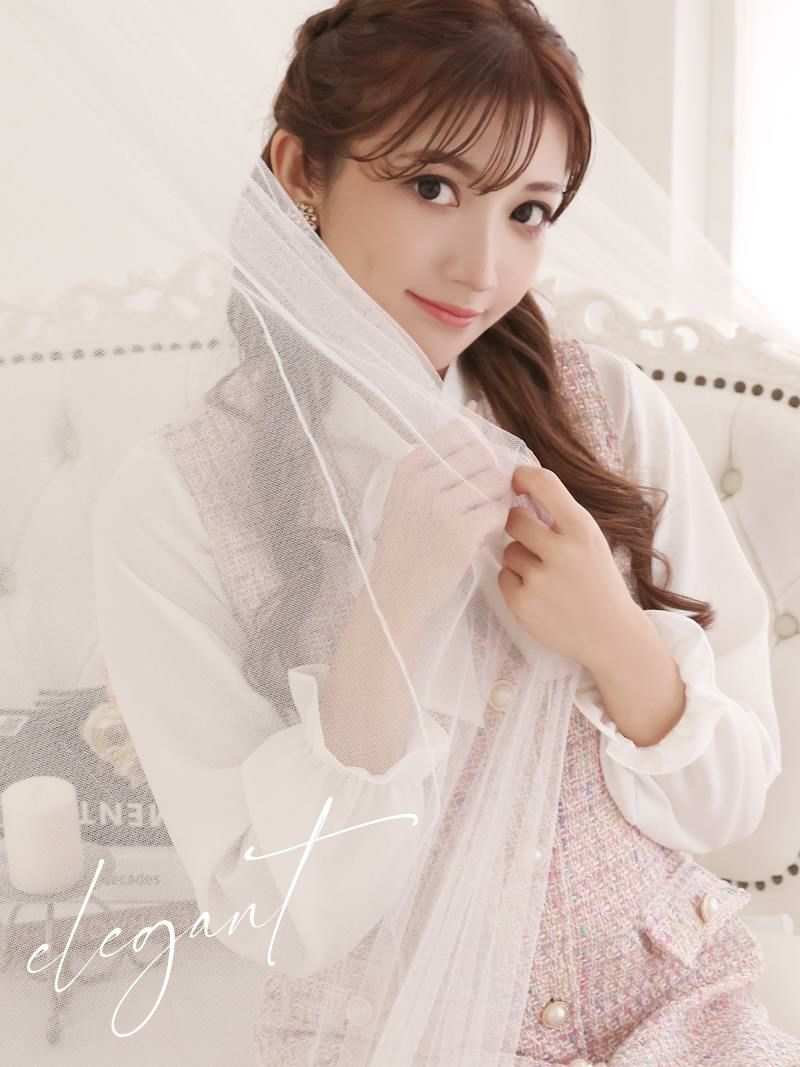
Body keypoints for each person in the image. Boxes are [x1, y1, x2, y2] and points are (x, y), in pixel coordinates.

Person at [89, 1, 800, 1063]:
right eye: (432, 186)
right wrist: (391, 608)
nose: (481, 268)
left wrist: (613, 635)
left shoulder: (607, 411)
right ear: (301, 169)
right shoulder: (178, 499)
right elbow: (279, 915)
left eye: (528, 210)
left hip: (678, 1022)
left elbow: (727, 800)